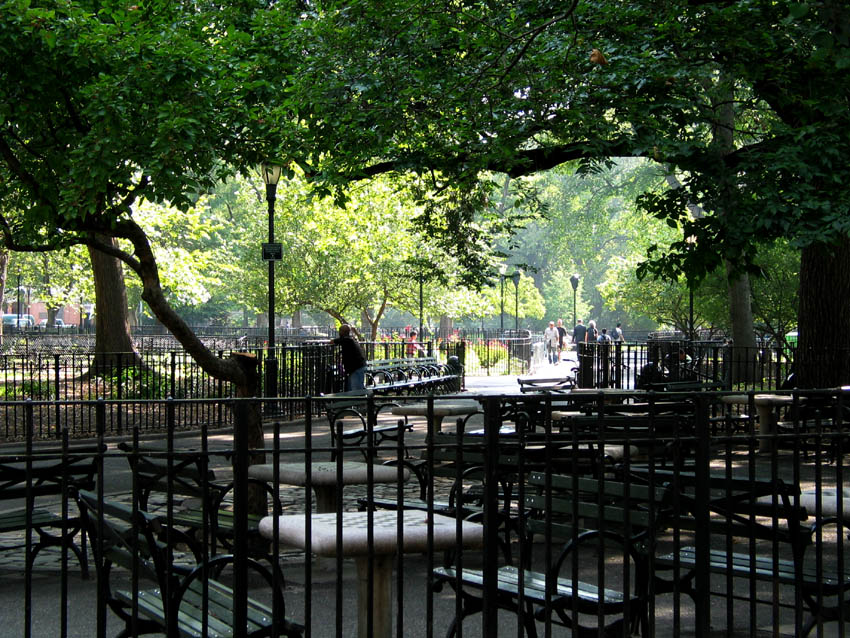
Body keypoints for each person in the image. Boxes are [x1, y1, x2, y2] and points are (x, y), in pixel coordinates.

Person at [333, 323, 367, 391]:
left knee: (356, 389)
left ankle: (360, 401)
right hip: (357, 367)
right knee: (354, 388)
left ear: (342, 332)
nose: (339, 332)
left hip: (356, 368)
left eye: (340, 330)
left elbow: (334, 341)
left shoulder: (347, 340)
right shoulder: (350, 340)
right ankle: (357, 400)